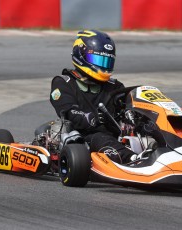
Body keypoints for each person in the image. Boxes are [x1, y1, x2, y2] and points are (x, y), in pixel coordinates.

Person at [49, 29, 137, 164]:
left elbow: (127, 109)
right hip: (83, 139)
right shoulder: (63, 82)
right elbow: (70, 112)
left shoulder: (115, 87)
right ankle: (133, 159)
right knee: (100, 138)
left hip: (116, 137)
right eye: (98, 60)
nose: (103, 66)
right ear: (81, 55)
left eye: (107, 62)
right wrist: (92, 118)